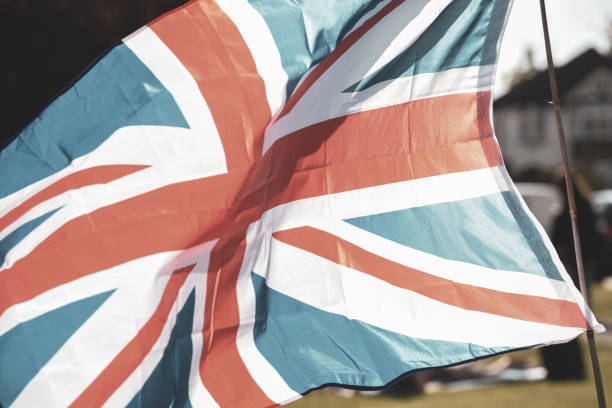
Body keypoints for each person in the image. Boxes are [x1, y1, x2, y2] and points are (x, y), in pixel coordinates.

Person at [540, 172, 602, 381]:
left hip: (573, 262)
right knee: (582, 299)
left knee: (574, 301)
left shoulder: (569, 211)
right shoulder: (585, 206)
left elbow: (557, 240)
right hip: (584, 260)